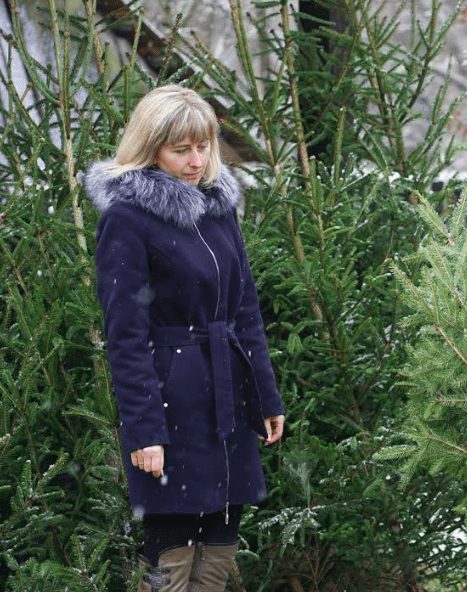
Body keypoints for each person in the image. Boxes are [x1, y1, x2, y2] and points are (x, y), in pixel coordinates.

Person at [85, 85, 285, 591]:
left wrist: (265, 394)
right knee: (171, 543)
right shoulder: (127, 219)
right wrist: (144, 430)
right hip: (171, 400)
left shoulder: (219, 209)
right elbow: (125, 336)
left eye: (204, 147)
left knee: (220, 534)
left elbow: (245, 311)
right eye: (181, 150)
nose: (196, 161)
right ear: (151, 148)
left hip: (229, 392)